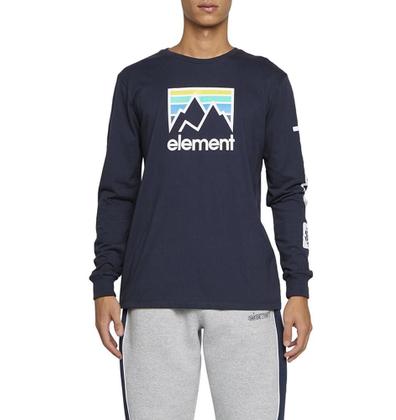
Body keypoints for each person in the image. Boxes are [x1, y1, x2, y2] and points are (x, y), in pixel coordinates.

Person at [90, 1, 313, 418]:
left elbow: (287, 191)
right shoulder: (137, 81)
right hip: (154, 296)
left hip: (246, 294)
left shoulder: (268, 82)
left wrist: (297, 287)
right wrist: (104, 282)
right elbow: (117, 190)